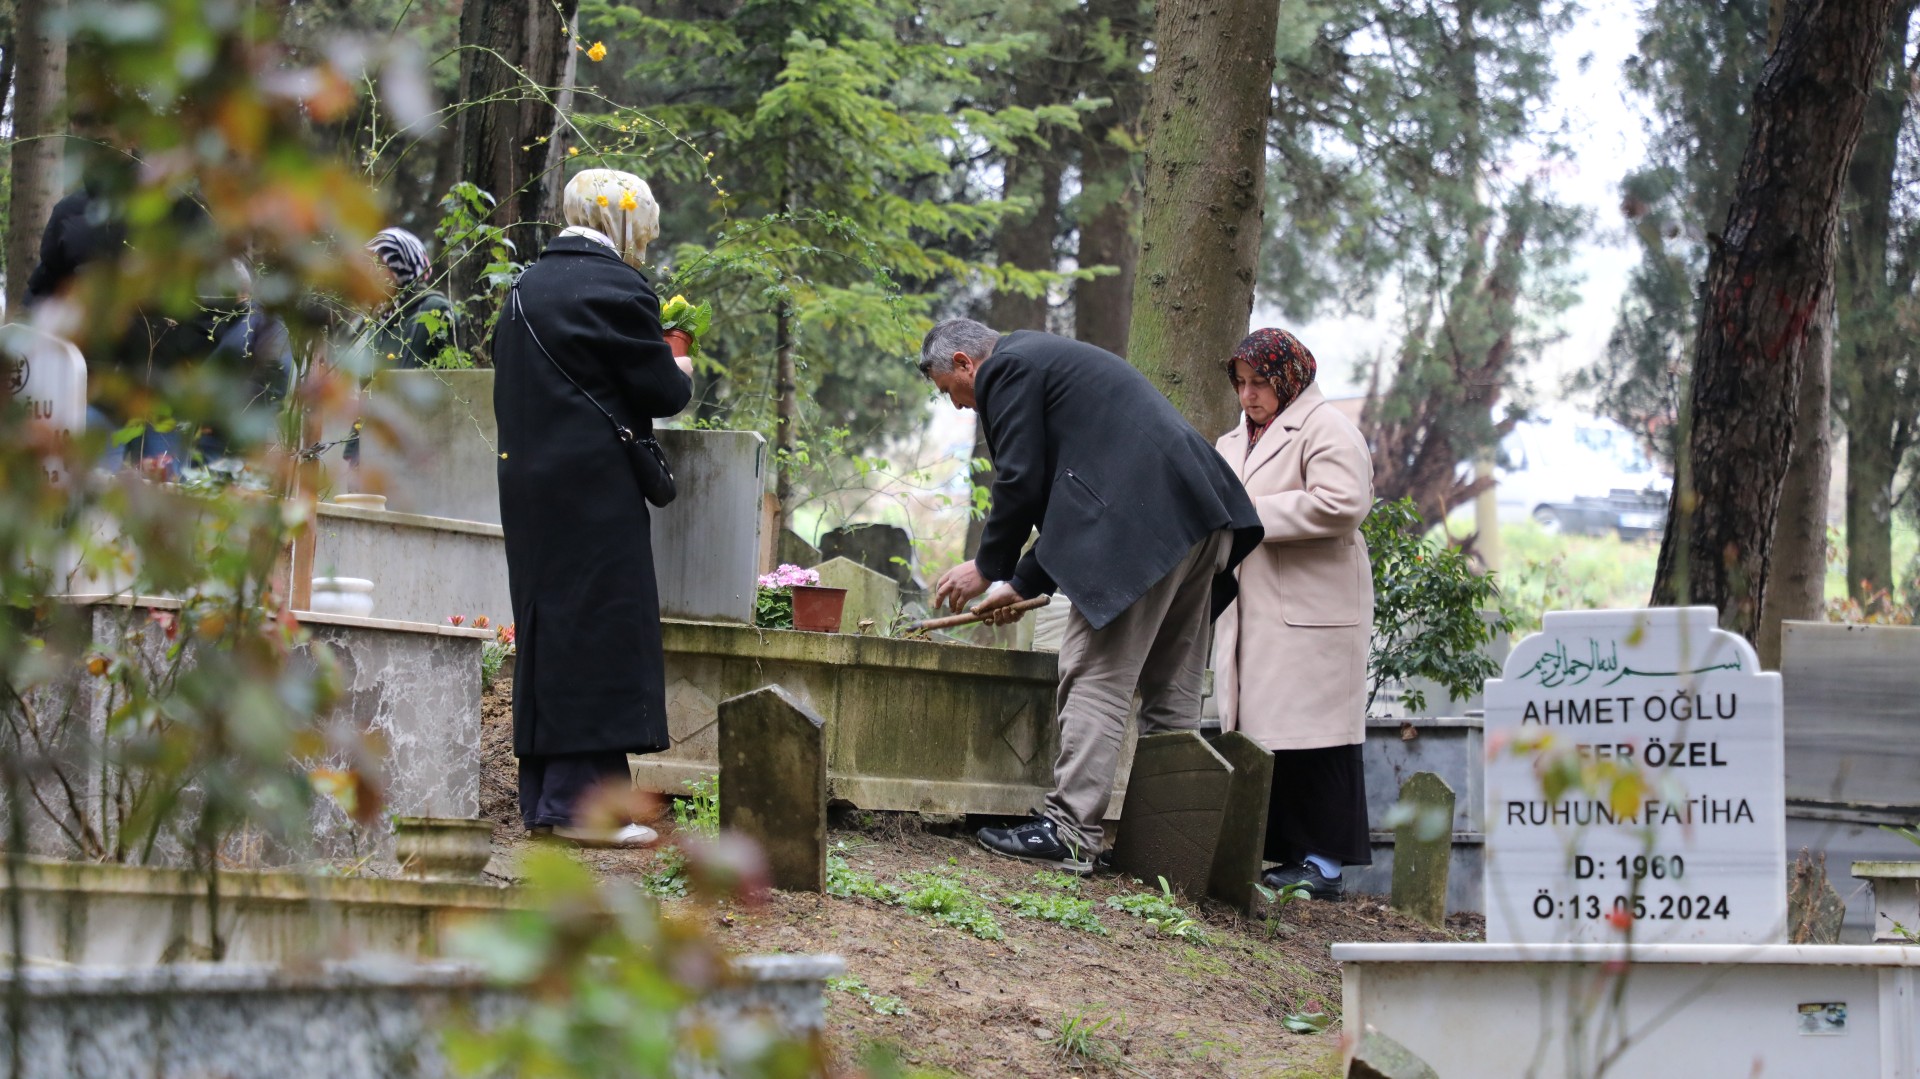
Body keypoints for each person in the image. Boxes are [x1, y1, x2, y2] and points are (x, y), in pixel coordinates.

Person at [923, 318, 1264, 872]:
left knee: (1094, 677)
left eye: (949, 390)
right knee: (1172, 693)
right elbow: (1079, 502)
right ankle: (1170, 853)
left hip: (1143, 526)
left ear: (965, 363)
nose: (960, 406)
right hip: (1199, 515)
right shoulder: (1046, 361)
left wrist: (986, 567)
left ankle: (1070, 830)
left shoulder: (1006, 368)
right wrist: (1020, 582)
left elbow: (1019, 478)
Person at [491, 170, 692, 848]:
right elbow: (662, 392)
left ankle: (556, 801)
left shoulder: (523, 288)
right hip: (595, 488)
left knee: (552, 631)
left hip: (528, 488)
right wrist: (681, 367)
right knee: (598, 634)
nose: (646, 245)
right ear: (623, 222)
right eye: (645, 230)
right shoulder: (616, 287)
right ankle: (583, 811)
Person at [1211, 328, 1375, 899]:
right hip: (1256, 606)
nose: (1248, 395)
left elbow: (1343, 503)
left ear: (1289, 378)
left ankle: (1323, 865)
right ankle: (1287, 854)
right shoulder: (1233, 440)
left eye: (1260, 382)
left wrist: (1248, 512)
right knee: (1269, 731)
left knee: (1318, 736)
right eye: (1240, 383)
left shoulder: (1328, 427)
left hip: (1314, 609)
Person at [363, 227, 457, 369]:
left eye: (380, 265)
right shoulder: (379, 318)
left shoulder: (437, 309)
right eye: (369, 265)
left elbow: (456, 373)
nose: (372, 273)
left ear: (401, 265)